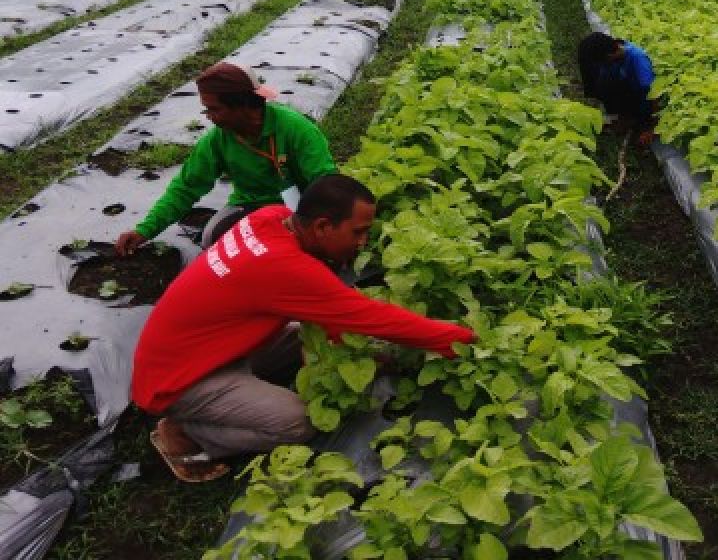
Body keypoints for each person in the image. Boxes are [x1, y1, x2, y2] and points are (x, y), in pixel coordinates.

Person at [131, 174, 477, 481]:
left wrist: (356, 347)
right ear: (323, 227)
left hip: (200, 347)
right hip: (178, 380)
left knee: (304, 335)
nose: (363, 242)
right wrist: (460, 340)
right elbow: (370, 316)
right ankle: (185, 433)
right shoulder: (286, 266)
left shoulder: (273, 217)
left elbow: (324, 314)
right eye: (358, 232)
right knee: (300, 422)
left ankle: (227, 397)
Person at [115, 62, 337, 256]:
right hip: (250, 207)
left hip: (300, 210)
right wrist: (144, 230)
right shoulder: (218, 140)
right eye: (207, 111)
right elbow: (186, 187)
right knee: (213, 239)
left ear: (242, 105)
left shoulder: (295, 128)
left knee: (303, 247)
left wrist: (307, 221)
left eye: (214, 109)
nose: (210, 117)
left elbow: (325, 182)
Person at [577, 32, 663, 147]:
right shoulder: (614, 57)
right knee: (604, 80)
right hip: (632, 95)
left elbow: (654, 94)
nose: (603, 65)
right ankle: (627, 119)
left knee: (608, 79)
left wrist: (653, 128)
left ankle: (641, 121)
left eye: (603, 62)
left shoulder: (637, 58)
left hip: (647, 102)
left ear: (608, 56)